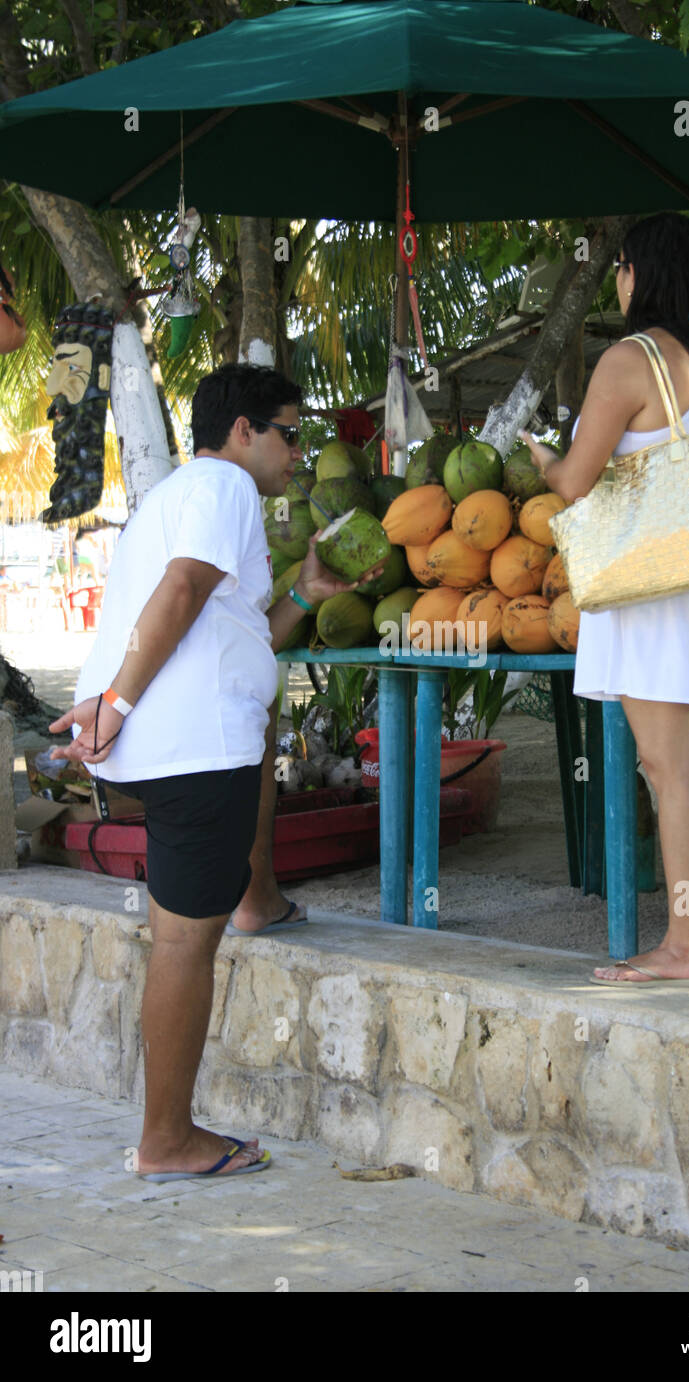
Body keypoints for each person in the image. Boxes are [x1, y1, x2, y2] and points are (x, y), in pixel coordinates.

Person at [48, 364, 384, 1181]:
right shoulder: (225, 487)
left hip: (178, 747)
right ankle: (167, 1140)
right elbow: (185, 588)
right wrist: (117, 704)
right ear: (243, 432)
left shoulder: (174, 499)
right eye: (292, 433)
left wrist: (306, 593)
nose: (301, 454)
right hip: (195, 750)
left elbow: (238, 632)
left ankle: (168, 1128)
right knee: (182, 945)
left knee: (178, 937)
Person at [521, 212, 689, 986]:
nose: (618, 280)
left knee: (667, 769)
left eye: (620, 267)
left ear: (636, 272)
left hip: (654, 589)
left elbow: (573, 481)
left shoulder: (630, 360)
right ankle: (686, 938)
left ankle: (687, 944)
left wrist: (539, 454)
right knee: (677, 762)